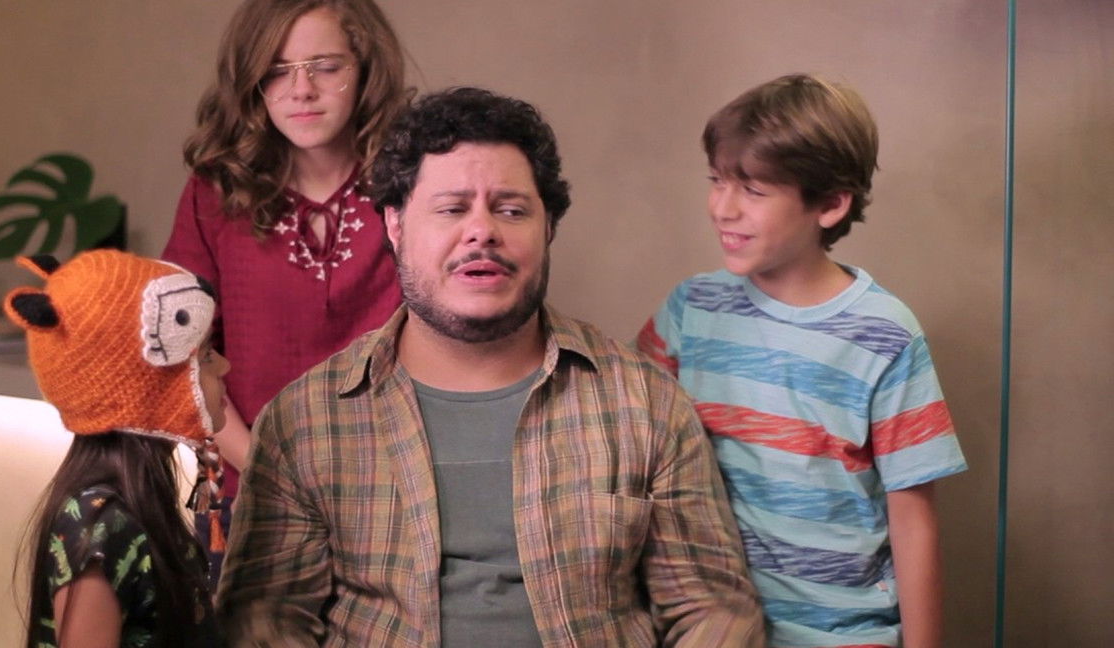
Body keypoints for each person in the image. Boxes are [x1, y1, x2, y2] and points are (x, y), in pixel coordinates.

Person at [216, 87, 764, 647]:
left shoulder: (645, 403)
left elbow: (713, 612)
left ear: (548, 227)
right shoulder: (306, 422)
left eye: (511, 210)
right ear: (396, 225)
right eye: (452, 209)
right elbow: (265, 623)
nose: (482, 231)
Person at [638, 73, 968, 648]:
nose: (722, 208)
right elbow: (626, 429)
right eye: (717, 181)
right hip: (717, 628)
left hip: (847, 633)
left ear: (831, 204)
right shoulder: (691, 309)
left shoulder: (885, 336)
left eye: (753, 191)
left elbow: (913, 523)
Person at [162, 0, 410, 583]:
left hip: (396, 497)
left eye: (325, 66)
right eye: (277, 71)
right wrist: (270, 473)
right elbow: (182, 357)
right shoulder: (214, 192)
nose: (301, 90)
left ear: (366, 69)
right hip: (250, 497)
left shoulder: (416, 185)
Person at [7, 249, 231, 647]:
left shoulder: (138, 509)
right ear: (149, 388)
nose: (225, 367)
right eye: (207, 356)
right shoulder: (101, 525)